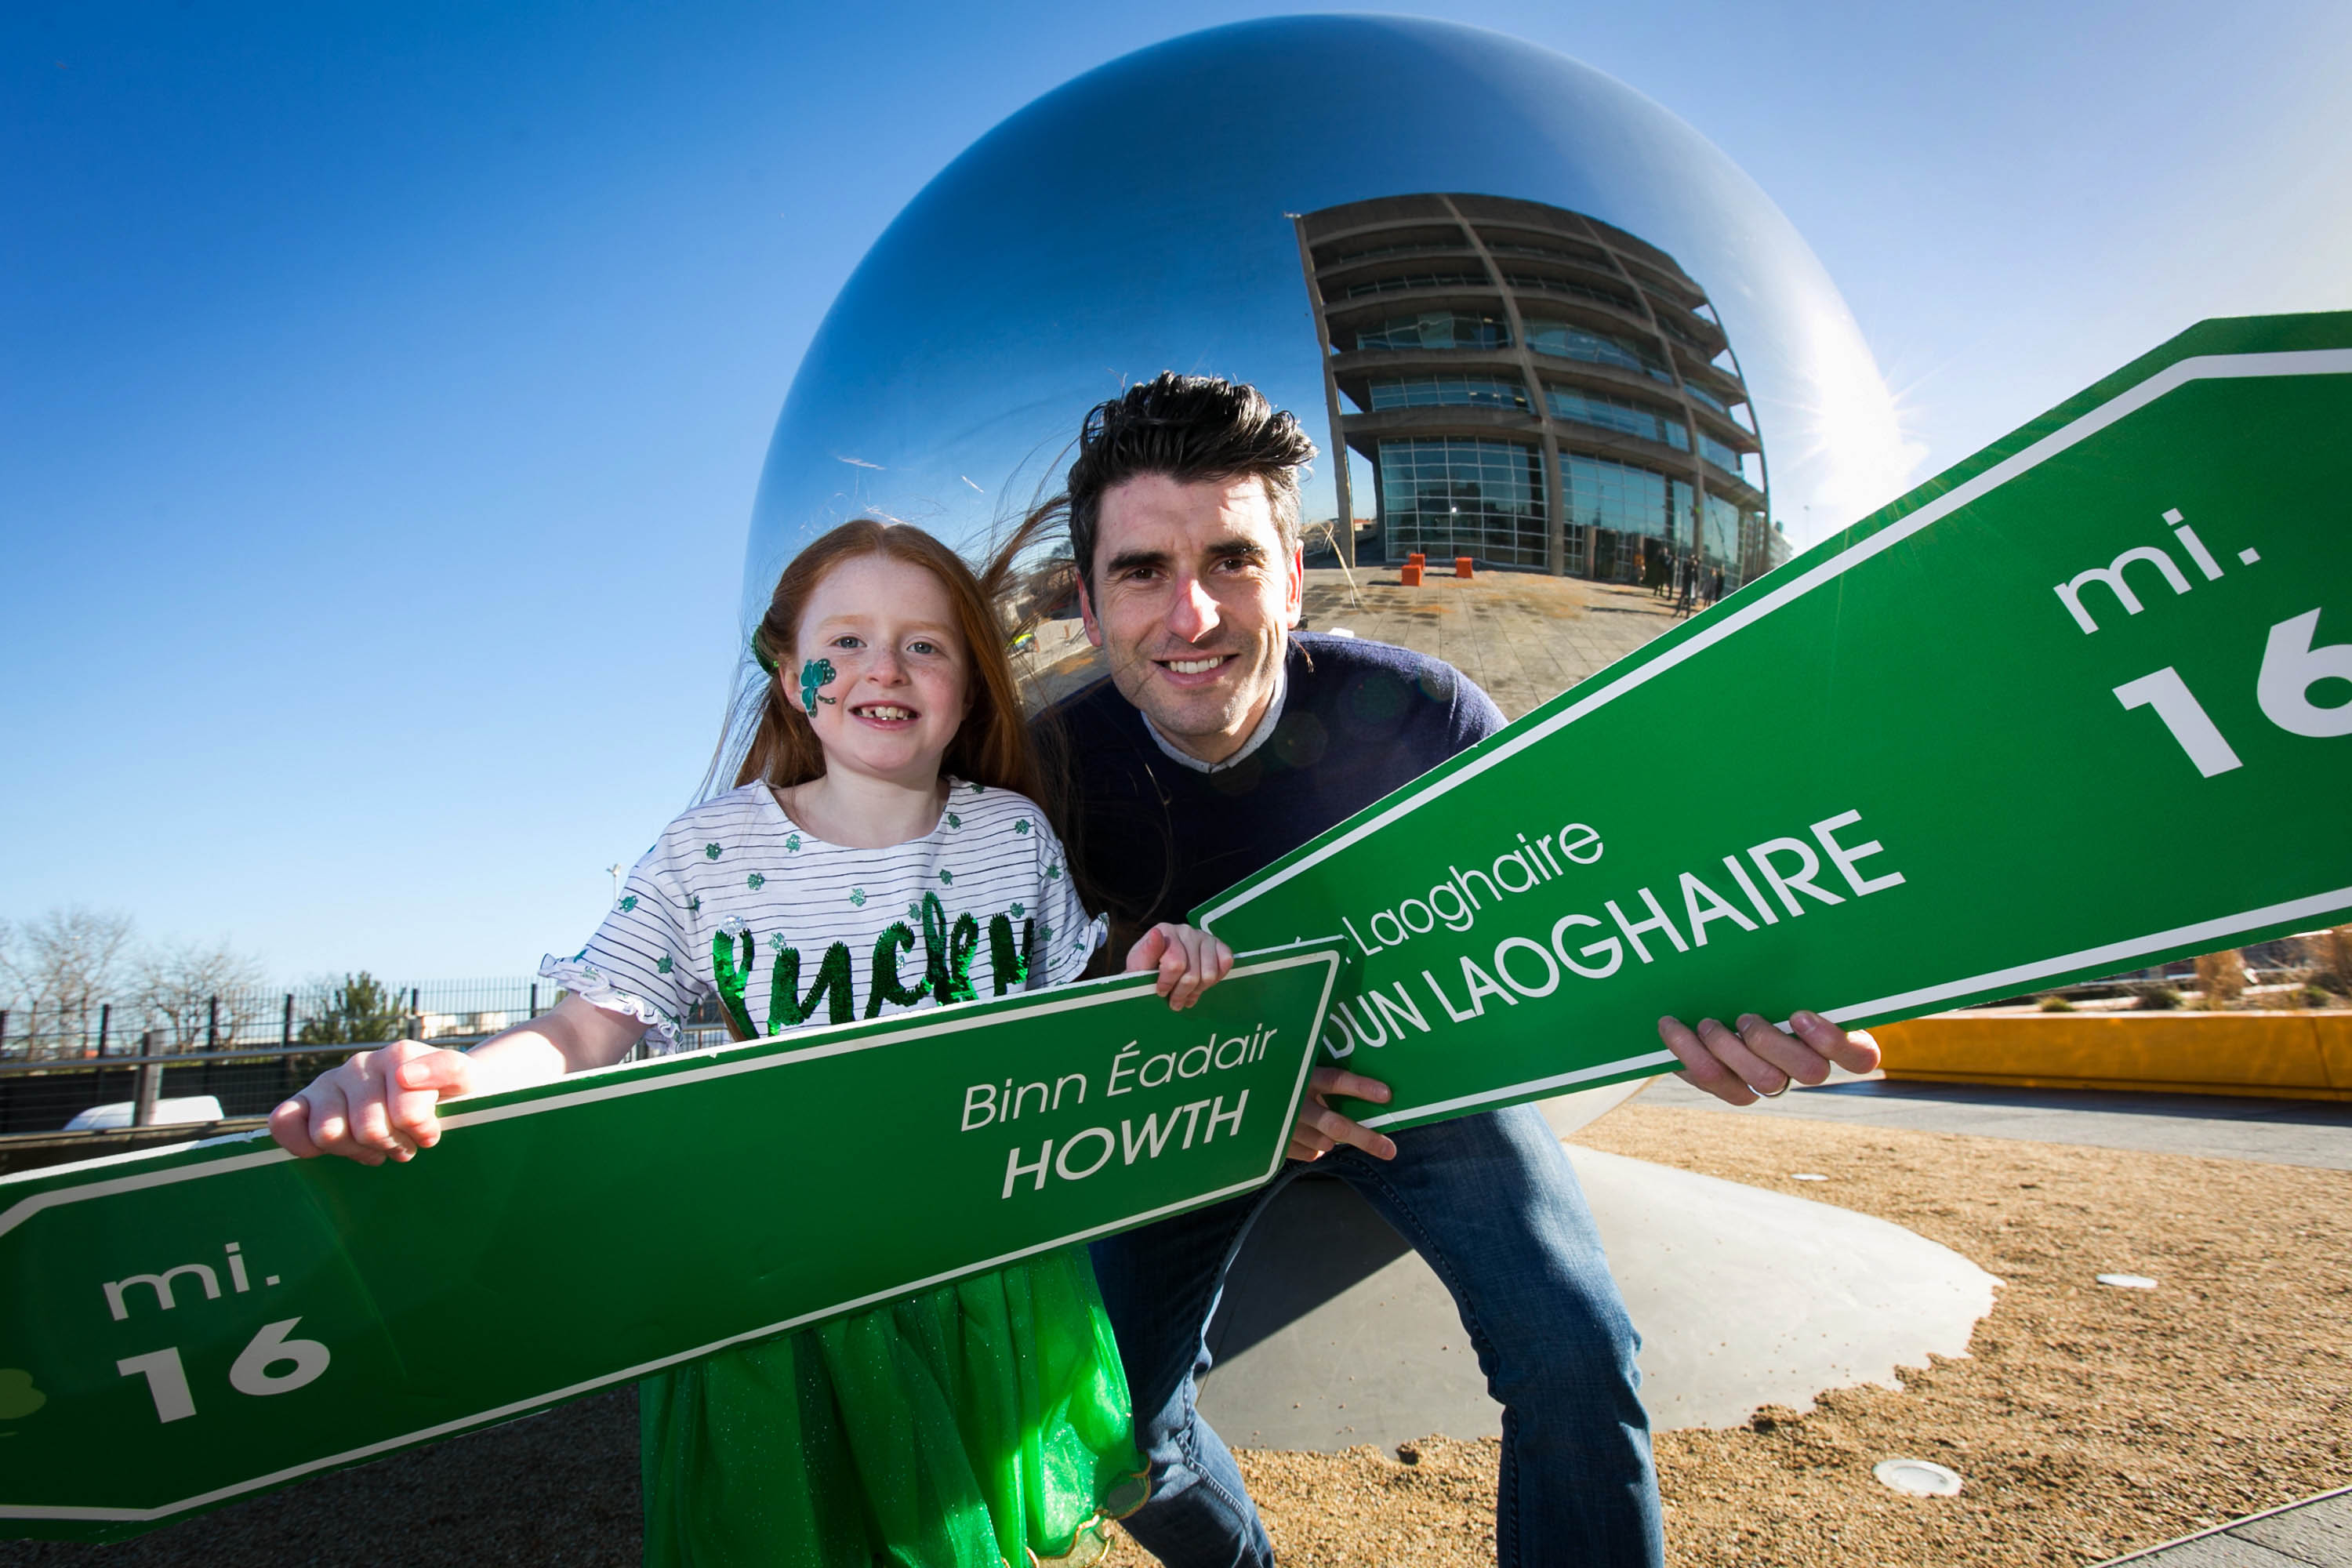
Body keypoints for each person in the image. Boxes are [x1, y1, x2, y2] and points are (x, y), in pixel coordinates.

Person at [1025, 374, 1882, 1568]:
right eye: (1141, 572)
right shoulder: (1043, 775)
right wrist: (1224, 1079)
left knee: (1577, 1352)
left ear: (1293, 577)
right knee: (1119, 1428)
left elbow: (1598, 915)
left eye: (1231, 560)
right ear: (1087, 602)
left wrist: (1723, 1004)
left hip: (1418, 1072)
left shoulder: (1423, 716)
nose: (1193, 614)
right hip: (1190, 1097)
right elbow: (1030, 1017)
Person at [270, 519, 1237, 1568]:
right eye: (847, 641)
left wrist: (1162, 967)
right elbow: (584, 1026)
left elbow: (1076, 1027)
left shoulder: (1013, 837)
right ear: (790, 675)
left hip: (985, 1280)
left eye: (925, 644)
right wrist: (450, 1076)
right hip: (785, 1295)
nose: (884, 668)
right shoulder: (709, 851)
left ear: (968, 685)